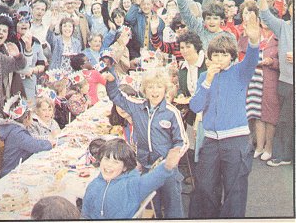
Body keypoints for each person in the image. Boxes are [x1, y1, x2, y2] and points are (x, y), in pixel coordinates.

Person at [188, 12, 260, 218]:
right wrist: (207, 81)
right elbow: (195, 106)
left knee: (235, 190)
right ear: (209, 57)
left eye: (224, 55)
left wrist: (254, 41)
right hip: (211, 140)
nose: (219, 59)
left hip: (236, 140)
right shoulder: (205, 76)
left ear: (232, 56)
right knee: (205, 188)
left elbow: (252, 59)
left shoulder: (240, 72)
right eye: (215, 55)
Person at [103, 67, 188, 218]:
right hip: (147, 169)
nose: (155, 91)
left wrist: (172, 158)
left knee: (173, 209)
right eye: (150, 87)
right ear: (144, 90)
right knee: (151, 208)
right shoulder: (136, 106)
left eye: (159, 86)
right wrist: (111, 81)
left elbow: (182, 141)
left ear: (165, 89)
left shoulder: (171, 112)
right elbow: (116, 96)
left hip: (167, 169)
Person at [81, 138, 182, 219]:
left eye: (116, 162)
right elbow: (85, 214)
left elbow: (152, 179)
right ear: (100, 160)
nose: (109, 165)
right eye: (106, 159)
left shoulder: (131, 185)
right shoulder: (93, 186)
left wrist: (166, 166)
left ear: (125, 167)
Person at [238, 3, 279, 162]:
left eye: (270, 18)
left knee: (270, 115)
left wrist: (272, 62)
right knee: (257, 114)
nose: (266, 22)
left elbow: (283, 61)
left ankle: (269, 147)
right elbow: (241, 48)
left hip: (270, 79)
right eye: (264, 18)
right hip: (253, 77)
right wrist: (246, 32)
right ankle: (259, 146)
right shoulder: (255, 33)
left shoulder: (278, 36)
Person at [259, 0, 294, 167]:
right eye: (293, 6)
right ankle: (284, 156)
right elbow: (265, 16)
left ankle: (286, 156)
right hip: (285, 81)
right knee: (285, 120)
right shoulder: (284, 26)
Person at [172, 0, 236, 50]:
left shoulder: (229, 37)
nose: (211, 22)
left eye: (215, 18)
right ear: (204, 19)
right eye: (208, 18)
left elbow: (234, 59)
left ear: (221, 20)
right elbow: (185, 13)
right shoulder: (199, 29)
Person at [0, 94, 53, 177]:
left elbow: (32, 140)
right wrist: (49, 144)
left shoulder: (16, 129)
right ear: (27, 117)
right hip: (11, 173)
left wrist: (46, 140)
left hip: (17, 168)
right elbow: (34, 145)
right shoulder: (17, 133)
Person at [0, 12, 26, 99]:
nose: (1, 33)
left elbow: (21, 66)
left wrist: (17, 56)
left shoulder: (8, 50)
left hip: (6, 96)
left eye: (4, 31)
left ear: (7, 36)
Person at [13, 6, 46, 101]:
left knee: (31, 108)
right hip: (16, 82)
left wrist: (32, 70)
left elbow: (42, 65)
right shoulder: (12, 42)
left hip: (30, 82)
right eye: (20, 22)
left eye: (26, 22)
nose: (24, 24)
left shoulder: (35, 42)